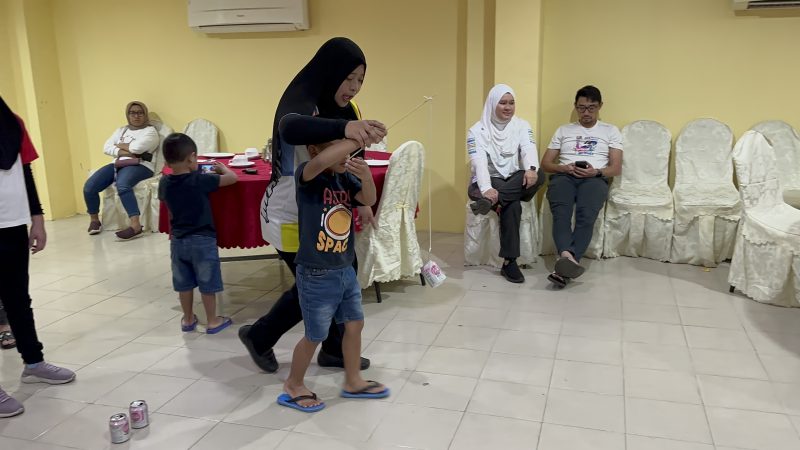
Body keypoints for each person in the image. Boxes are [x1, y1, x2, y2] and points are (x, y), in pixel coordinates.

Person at [240, 37, 386, 373]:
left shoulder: (349, 110)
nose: (354, 87)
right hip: (291, 212)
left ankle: (334, 349)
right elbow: (290, 127)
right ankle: (259, 336)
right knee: (317, 283)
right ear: (331, 72)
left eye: (360, 80)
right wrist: (347, 128)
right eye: (348, 78)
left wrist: (362, 201)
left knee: (341, 274)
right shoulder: (301, 101)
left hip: (328, 209)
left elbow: (354, 153)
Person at [278, 138, 389, 412]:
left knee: (354, 324)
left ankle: (353, 380)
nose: (347, 155)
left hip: (344, 267)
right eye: (340, 149)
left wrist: (365, 177)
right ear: (314, 150)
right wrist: (353, 138)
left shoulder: (344, 178)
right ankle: (293, 384)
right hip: (316, 272)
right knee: (315, 335)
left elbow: (368, 199)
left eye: (350, 150)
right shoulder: (308, 174)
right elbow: (320, 162)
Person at [0, 96, 76, 418]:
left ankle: (33, 362)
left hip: (12, 223)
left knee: (18, 299)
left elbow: (25, 171)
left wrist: (38, 218)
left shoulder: (11, 122)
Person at [541, 85, 623, 288]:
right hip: (564, 177)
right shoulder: (564, 130)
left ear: (600, 106)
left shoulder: (610, 131)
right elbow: (546, 164)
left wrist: (595, 172)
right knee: (561, 213)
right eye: (581, 108)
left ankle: (565, 261)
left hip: (594, 178)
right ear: (575, 106)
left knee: (586, 215)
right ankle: (569, 260)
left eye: (591, 108)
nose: (586, 113)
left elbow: (616, 168)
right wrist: (563, 168)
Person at [158, 133, 236, 334]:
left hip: (178, 240)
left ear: (166, 161)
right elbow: (232, 179)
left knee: (183, 283)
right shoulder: (200, 180)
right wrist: (223, 169)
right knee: (207, 281)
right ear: (192, 157)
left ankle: (188, 319)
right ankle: (213, 320)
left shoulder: (164, 183)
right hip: (203, 239)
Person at [467, 84, 545, 283]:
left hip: (514, 179)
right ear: (492, 104)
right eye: (502, 103)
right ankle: (510, 262)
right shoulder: (476, 131)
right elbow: (479, 162)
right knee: (513, 205)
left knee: (540, 174)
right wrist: (487, 189)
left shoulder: (522, 125)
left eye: (511, 103)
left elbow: (529, 148)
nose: (508, 107)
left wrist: (531, 169)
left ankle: (491, 202)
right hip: (490, 180)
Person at [83, 101, 159, 240]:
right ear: (127, 115)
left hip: (141, 165)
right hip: (118, 163)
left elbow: (137, 149)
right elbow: (106, 147)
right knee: (89, 187)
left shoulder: (150, 131)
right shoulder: (121, 130)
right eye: (132, 113)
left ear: (145, 114)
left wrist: (118, 146)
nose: (136, 116)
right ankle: (94, 220)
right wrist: (127, 151)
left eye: (140, 113)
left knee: (122, 185)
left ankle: (136, 226)